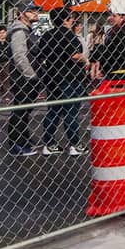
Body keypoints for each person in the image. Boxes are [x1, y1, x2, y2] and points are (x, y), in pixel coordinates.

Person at [37, 10, 87, 155]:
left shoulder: (46, 35)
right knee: (71, 111)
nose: (72, 21)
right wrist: (86, 59)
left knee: (53, 110)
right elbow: (74, 55)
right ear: (66, 20)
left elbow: (41, 55)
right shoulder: (69, 35)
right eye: (70, 18)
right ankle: (75, 144)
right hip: (70, 77)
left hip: (52, 77)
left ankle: (49, 144)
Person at [4, 6, 41, 156]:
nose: (35, 14)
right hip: (23, 79)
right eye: (31, 11)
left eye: (36, 11)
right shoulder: (19, 32)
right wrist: (31, 75)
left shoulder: (26, 31)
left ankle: (23, 138)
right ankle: (16, 144)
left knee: (24, 110)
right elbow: (19, 57)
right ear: (21, 14)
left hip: (26, 79)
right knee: (20, 111)